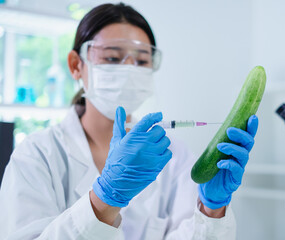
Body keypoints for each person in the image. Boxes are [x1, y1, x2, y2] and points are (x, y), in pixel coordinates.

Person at [0, 2, 259, 240]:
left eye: (142, 60)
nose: (130, 70)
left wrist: (211, 212)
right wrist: (104, 200)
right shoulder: (37, 155)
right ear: (76, 65)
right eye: (112, 58)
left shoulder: (175, 156)